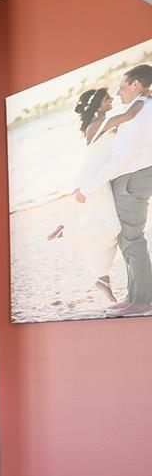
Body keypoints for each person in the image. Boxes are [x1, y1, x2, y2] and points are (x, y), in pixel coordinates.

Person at [75, 64, 152, 316]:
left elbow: (118, 161)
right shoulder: (142, 106)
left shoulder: (139, 114)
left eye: (122, 86)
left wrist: (87, 188)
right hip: (134, 178)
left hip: (131, 180)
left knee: (132, 240)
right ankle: (134, 296)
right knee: (128, 238)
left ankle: (141, 300)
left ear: (136, 84)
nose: (118, 92)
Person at [60, 87, 131, 303]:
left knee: (106, 236)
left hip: (99, 181)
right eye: (107, 97)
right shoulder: (97, 125)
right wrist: (146, 95)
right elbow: (129, 115)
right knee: (112, 228)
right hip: (92, 183)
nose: (111, 99)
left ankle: (102, 280)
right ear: (97, 104)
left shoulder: (104, 124)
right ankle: (66, 231)